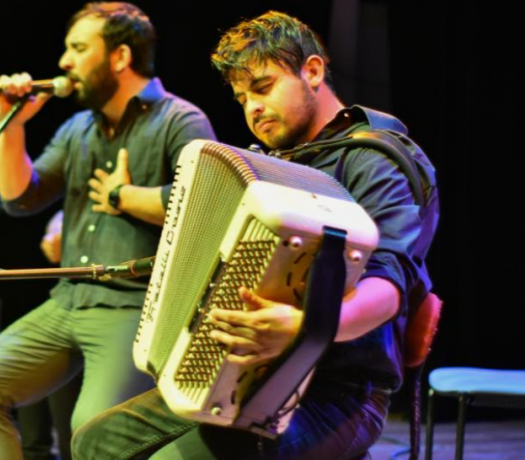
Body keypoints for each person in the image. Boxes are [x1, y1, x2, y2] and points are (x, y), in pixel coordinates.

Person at [72, 10, 439, 460]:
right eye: (242, 98)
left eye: (263, 88)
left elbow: (389, 285)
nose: (253, 109)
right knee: (94, 443)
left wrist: (306, 328)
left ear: (313, 71)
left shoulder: (375, 160)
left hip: (340, 392)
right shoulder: (271, 168)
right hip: (247, 376)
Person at [0, 3, 216, 459]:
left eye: (77, 48)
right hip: (68, 300)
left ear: (119, 57)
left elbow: (206, 207)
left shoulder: (180, 120)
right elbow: (20, 198)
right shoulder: (78, 128)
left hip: (131, 307)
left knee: (89, 429)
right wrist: (9, 127)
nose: (64, 63)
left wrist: (125, 196)